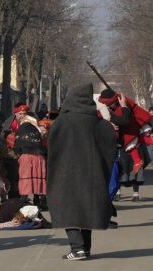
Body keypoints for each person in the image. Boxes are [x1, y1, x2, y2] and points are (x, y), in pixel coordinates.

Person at [47, 83, 116, 260]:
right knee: (87, 208)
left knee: (65, 207)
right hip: (91, 174)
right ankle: (85, 248)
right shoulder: (97, 122)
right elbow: (110, 142)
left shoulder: (64, 121)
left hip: (66, 172)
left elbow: (53, 143)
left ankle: (76, 248)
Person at [14, 105, 47, 207]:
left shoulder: (22, 127)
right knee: (37, 178)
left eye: (24, 114)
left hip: (27, 156)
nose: (22, 116)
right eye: (20, 114)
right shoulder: (36, 127)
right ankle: (38, 201)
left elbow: (17, 145)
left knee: (26, 179)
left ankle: (23, 203)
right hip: (39, 156)